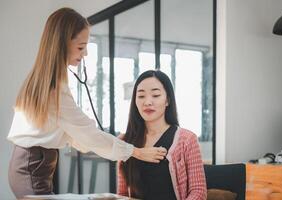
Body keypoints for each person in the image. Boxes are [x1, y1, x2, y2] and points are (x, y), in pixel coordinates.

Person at [7, 8, 166, 199]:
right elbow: (86, 133)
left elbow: (76, 132)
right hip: (34, 165)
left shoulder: (47, 80)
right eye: (81, 47)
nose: (86, 54)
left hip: (31, 164)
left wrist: (112, 146)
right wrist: (136, 152)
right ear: (62, 44)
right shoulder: (54, 88)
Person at [117, 70, 207, 200]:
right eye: (141, 96)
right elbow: (122, 194)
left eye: (156, 95)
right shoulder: (126, 142)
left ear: (167, 100)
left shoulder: (187, 140)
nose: (147, 102)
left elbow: (199, 191)